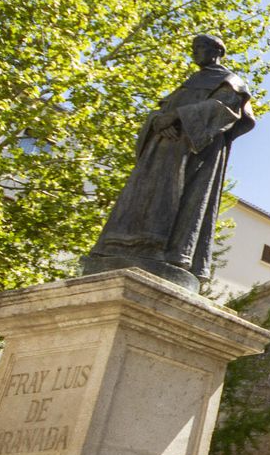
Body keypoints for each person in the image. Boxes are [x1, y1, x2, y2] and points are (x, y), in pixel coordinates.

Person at [83, 34, 254, 289]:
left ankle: (168, 252)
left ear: (216, 51)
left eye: (201, 48)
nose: (195, 53)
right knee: (141, 196)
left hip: (190, 153)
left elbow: (227, 110)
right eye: (194, 48)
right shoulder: (188, 84)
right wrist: (158, 121)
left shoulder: (230, 81)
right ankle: (120, 247)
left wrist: (178, 117)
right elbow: (162, 112)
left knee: (178, 198)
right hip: (160, 150)